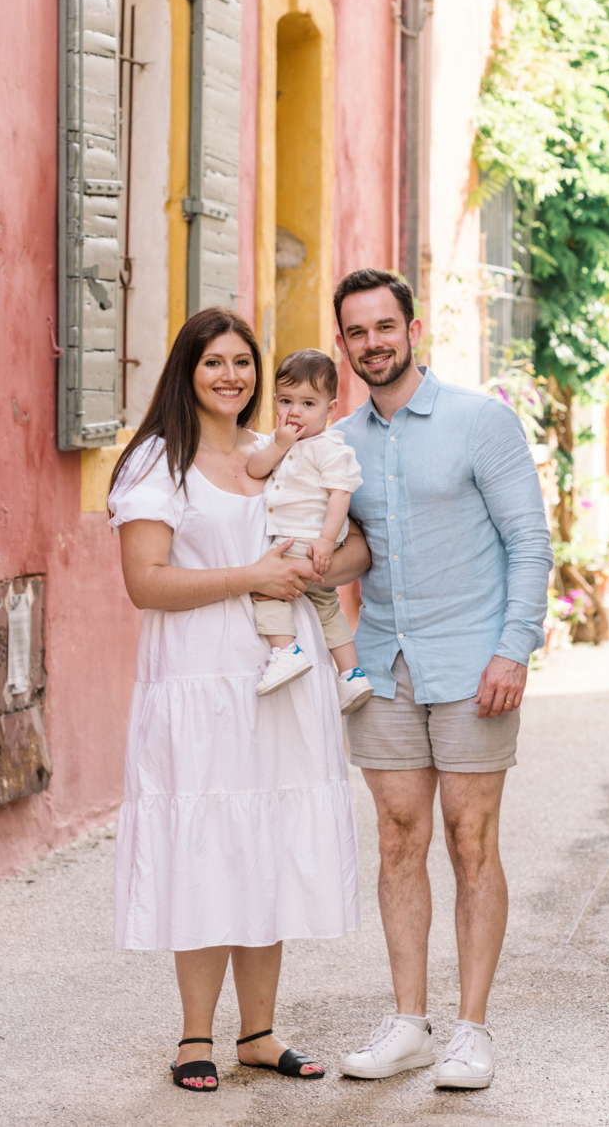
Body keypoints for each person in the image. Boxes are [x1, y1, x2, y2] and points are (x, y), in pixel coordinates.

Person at [108, 307, 370, 1094]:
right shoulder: (158, 461)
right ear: (186, 371)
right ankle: (195, 1036)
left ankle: (257, 1033)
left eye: (243, 363)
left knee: (267, 841)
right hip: (197, 680)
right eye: (215, 362)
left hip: (282, 677)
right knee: (206, 844)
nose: (233, 376)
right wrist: (251, 577)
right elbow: (144, 582)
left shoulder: (278, 451)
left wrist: (325, 558)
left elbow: (353, 541)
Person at [331, 268, 552, 1091]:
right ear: (345, 344)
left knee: (470, 840)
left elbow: (529, 541)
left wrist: (513, 648)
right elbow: (348, 548)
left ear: (412, 330)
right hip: (384, 661)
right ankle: (409, 1024)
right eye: (356, 333)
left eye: (384, 327)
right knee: (396, 839)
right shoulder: (340, 442)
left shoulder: (479, 423)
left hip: (473, 665)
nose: (372, 344)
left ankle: (472, 1030)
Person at [245, 348, 374, 713]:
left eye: (307, 403)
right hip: (306, 541)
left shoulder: (329, 447)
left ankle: (285, 651)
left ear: (330, 410)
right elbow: (256, 468)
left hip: (304, 540)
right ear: (275, 401)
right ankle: (351, 675)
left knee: (266, 589)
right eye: (287, 401)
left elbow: (340, 496)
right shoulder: (283, 442)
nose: (295, 412)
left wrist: (325, 541)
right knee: (327, 605)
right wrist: (280, 444)